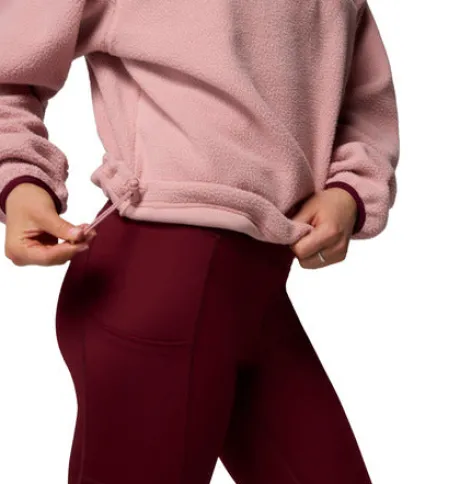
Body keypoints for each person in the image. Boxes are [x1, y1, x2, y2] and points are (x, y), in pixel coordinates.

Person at [0, 0, 399, 483]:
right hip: (153, 283)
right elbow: (10, 67)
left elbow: (363, 101)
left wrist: (348, 192)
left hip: (257, 290)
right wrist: (19, 179)